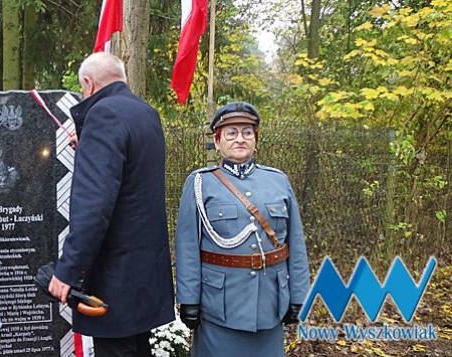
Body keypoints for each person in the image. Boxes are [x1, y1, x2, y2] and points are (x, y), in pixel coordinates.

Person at [48, 52, 175, 356]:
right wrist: (90, 146)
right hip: (145, 273)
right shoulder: (145, 112)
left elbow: (94, 205)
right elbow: (132, 174)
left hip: (115, 278)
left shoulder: (103, 115)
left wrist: (67, 270)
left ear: (89, 84)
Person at [174, 102, 310, 357]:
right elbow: (187, 247)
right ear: (217, 141)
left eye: (247, 132)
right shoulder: (201, 183)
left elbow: (296, 244)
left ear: (256, 139)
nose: (240, 139)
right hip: (220, 308)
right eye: (231, 133)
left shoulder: (278, 181)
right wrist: (189, 299)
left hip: (271, 305)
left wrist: (299, 294)